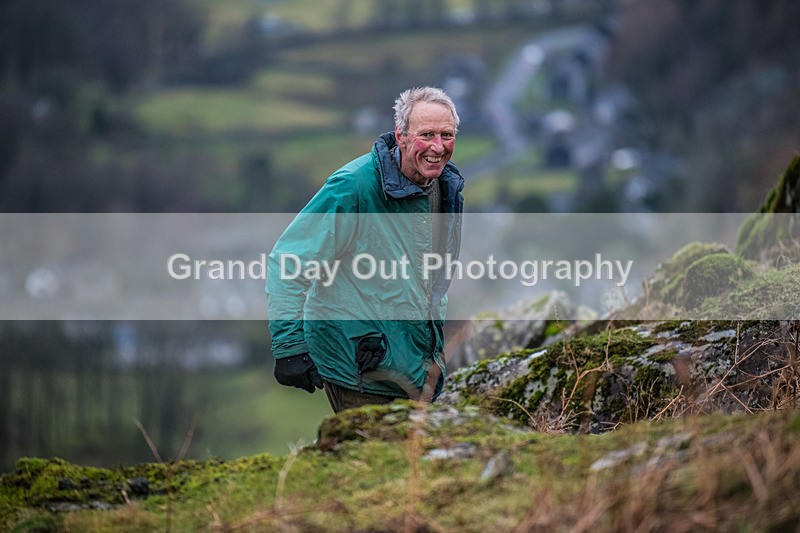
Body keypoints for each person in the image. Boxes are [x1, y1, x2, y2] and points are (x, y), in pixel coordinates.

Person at [266, 86, 464, 413]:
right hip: (361, 368)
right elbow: (288, 262)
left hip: (415, 364)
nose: (438, 146)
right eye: (426, 134)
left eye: (447, 135)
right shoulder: (354, 186)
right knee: (376, 448)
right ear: (401, 136)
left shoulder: (445, 186)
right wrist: (290, 348)